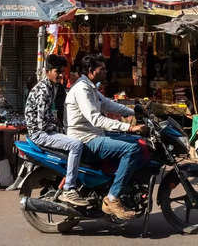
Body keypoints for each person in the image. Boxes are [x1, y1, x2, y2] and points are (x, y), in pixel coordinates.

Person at [66, 55, 147, 219]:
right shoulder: (82, 89)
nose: (105, 71)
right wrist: (129, 127)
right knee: (133, 147)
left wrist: (135, 112)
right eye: (101, 69)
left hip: (95, 134)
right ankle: (112, 197)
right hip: (86, 139)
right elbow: (96, 118)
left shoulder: (90, 87)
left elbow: (108, 104)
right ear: (91, 71)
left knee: (136, 141)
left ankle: (119, 185)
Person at [25, 55, 88, 207]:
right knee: (76, 145)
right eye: (56, 72)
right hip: (40, 134)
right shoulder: (43, 90)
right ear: (47, 71)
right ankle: (69, 189)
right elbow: (41, 122)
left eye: (62, 72)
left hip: (47, 130)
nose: (60, 75)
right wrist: (60, 130)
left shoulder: (54, 87)